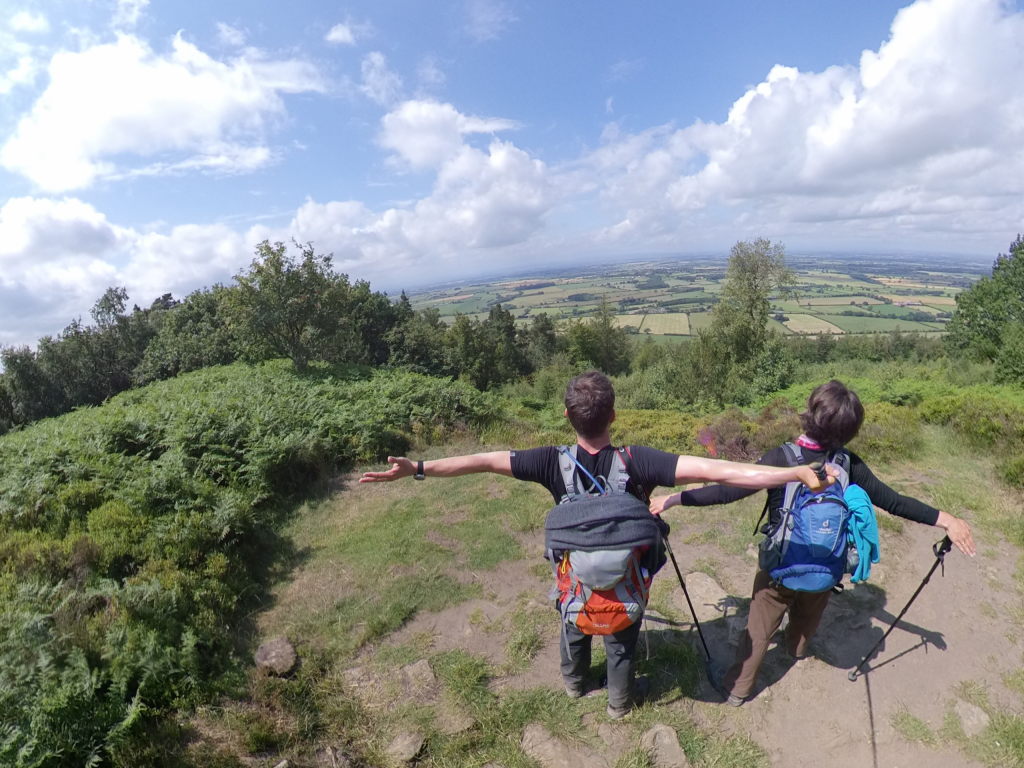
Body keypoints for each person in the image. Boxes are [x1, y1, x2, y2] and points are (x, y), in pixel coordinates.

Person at [360, 370, 835, 719]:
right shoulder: (640, 461)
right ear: (613, 415)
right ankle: (618, 705)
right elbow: (722, 471)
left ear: (567, 416)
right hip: (628, 583)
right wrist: (791, 472)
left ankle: (573, 685)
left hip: (575, 582)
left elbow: (484, 460)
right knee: (624, 640)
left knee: (573, 625)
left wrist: (418, 467)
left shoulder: (550, 462)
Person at [649, 379, 976, 706]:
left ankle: (737, 689)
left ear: (811, 414)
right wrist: (947, 519)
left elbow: (727, 490)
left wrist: (676, 498)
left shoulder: (784, 456)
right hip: (828, 566)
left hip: (782, 564)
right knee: (810, 610)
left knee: (760, 627)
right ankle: (797, 649)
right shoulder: (848, 464)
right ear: (849, 430)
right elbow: (895, 501)